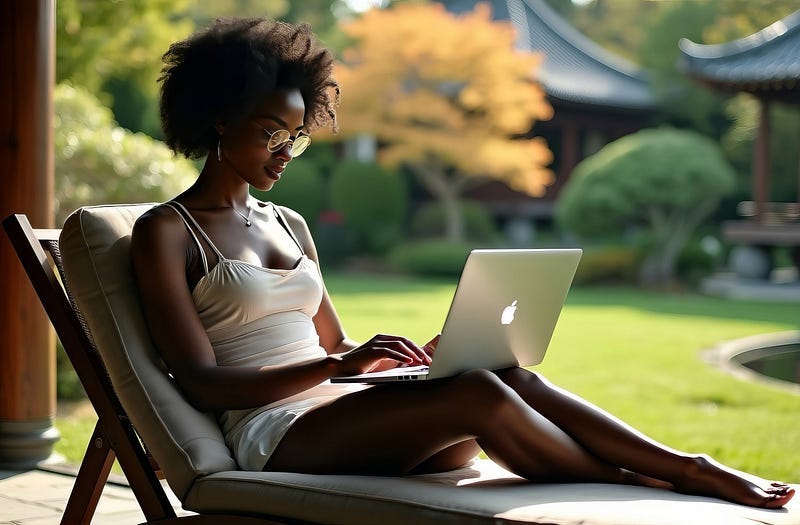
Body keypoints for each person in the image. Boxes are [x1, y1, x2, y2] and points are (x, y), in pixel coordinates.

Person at [130, 17, 794, 509]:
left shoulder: (287, 222)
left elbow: (336, 344)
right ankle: (641, 480)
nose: (285, 150)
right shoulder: (168, 230)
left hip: (356, 418)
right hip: (277, 435)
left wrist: (409, 362)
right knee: (477, 393)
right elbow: (201, 381)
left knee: (494, 369)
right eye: (271, 132)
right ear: (219, 121)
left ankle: (687, 463)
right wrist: (337, 367)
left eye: (297, 137)